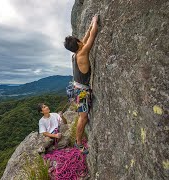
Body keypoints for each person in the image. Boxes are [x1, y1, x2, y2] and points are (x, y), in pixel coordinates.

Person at [64, 15, 99, 154]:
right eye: (80, 41)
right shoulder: (83, 52)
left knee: (82, 116)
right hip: (82, 92)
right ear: (78, 43)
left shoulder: (75, 54)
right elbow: (92, 35)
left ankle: (78, 140)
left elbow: (85, 37)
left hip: (77, 89)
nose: (81, 41)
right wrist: (95, 22)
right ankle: (78, 143)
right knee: (83, 117)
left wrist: (90, 24)